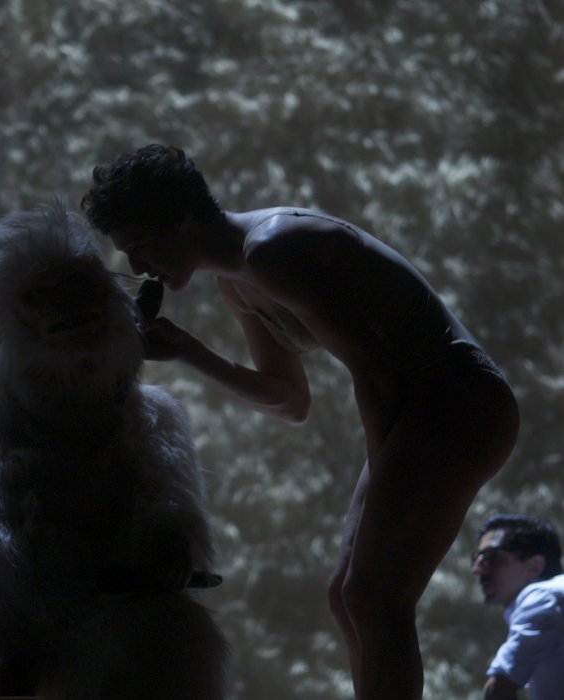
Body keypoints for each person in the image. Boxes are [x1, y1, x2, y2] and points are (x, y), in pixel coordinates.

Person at [81, 144, 520, 700]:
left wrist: (383, 471)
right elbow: (290, 399)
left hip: (458, 400)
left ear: (180, 218)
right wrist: (190, 351)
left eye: (141, 247)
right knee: (347, 596)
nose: (140, 269)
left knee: (374, 597)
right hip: (420, 409)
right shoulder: (237, 279)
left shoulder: (272, 249)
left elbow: (376, 372)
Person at [471, 514, 564, 700]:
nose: (476, 569)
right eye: (476, 558)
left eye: (489, 557)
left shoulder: (542, 597)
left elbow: (498, 690)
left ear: (534, 566)